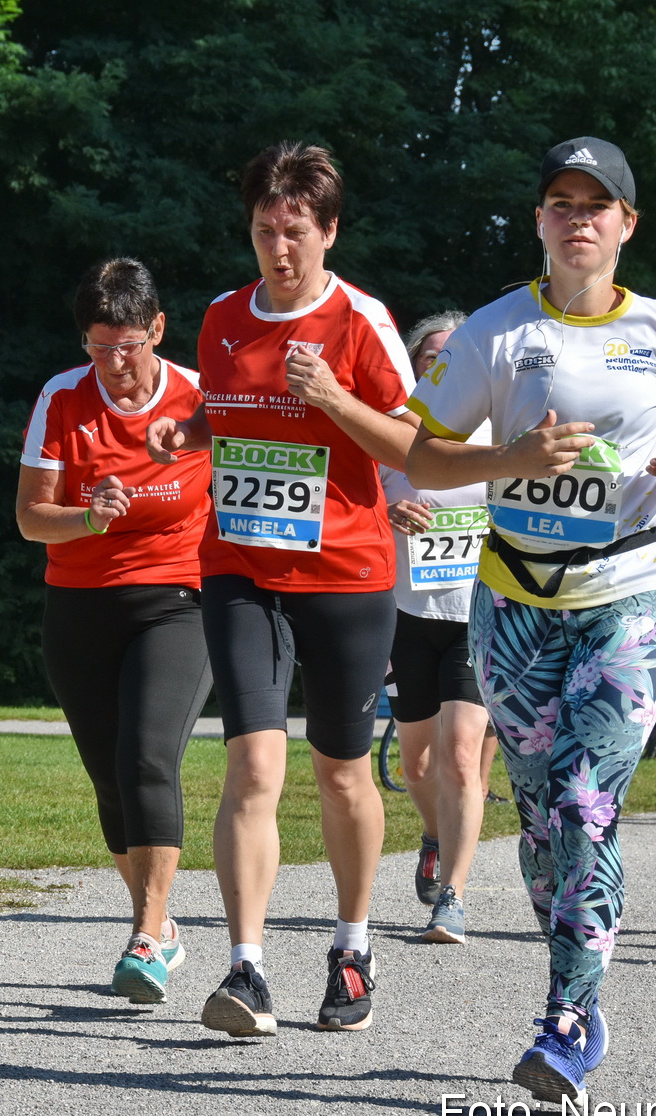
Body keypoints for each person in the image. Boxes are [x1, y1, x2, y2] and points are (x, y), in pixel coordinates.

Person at [406, 137, 656, 1105]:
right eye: (557, 202)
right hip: (512, 600)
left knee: (586, 800)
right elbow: (423, 457)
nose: (575, 219)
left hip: (630, 591)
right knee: (541, 817)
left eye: (595, 205)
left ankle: (567, 1016)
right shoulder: (495, 333)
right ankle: (578, 984)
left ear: (626, 224)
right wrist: (512, 460)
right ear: (539, 222)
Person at [147, 142, 419, 1036]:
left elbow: (412, 443)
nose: (280, 247)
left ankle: (351, 946)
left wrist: (336, 399)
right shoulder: (223, 317)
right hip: (241, 565)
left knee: (341, 772)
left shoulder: (363, 321)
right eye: (265, 230)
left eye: (296, 230)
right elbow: (224, 417)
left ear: (329, 230)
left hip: (346, 569)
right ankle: (246, 967)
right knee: (252, 760)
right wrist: (179, 437)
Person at [16, 258, 213, 1003]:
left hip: (178, 600)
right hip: (81, 604)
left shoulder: (199, 395)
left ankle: (147, 929)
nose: (115, 363)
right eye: (99, 347)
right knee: (109, 779)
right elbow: (32, 517)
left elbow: (248, 479)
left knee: (146, 756)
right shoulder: (62, 398)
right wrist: (88, 514)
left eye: (127, 345)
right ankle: (156, 926)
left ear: (157, 329)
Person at [379, 310, 500, 945]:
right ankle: (434, 832)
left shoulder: (496, 433)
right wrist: (386, 510)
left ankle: (451, 895)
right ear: (416, 365)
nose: (442, 366)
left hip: (475, 615)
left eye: (454, 357)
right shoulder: (395, 433)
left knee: (461, 758)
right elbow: (353, 504)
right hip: (403, 614)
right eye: (431, 358)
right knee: (418, 764)